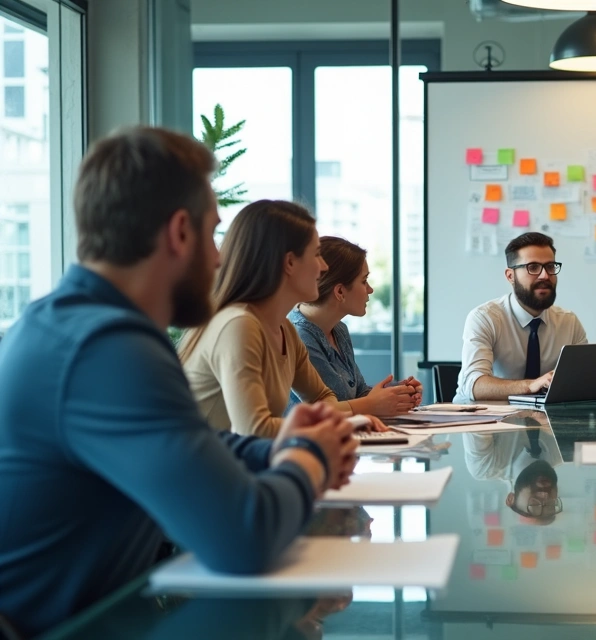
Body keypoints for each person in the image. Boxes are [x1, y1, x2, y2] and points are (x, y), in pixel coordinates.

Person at [0, 127, 357, 636]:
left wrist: (286, 445)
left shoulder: (67, 325)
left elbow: (194, 443)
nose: (218, 258)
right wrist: (310, 458)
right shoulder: (107, 349)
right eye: (212, 234)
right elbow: (244, 539)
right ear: (178, 234)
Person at [179, 200, 387, 437]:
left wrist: (342, 419)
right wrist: (344, 421)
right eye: (317, 254)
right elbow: (255, 429)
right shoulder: (239, 325)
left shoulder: (285, 329)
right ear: (289, 262)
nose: (323, 267)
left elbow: (322, 397)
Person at [289, 236, 422, 417]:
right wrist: (375, 402)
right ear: (340, 291)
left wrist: (398, 393)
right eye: (364, 281)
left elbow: (358, 395)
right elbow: (326, 410)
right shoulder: (298, 336)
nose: (370, 290)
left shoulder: (339, 329)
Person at [455, 232, 587, 401]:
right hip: (483, 421)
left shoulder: (569, 322)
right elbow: (474, 385)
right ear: (510, 276)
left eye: (550, 267)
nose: (545, 275)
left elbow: (583, 380)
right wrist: (530, 386)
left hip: (543, 421)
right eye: (533, 267)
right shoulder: (484, 318)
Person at [463, 413, 563, 525]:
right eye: (550, 504)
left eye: (534, 505)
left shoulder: (486, 467)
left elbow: (475, 415)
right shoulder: (561, 452)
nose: (545, 495)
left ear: (511, 499)